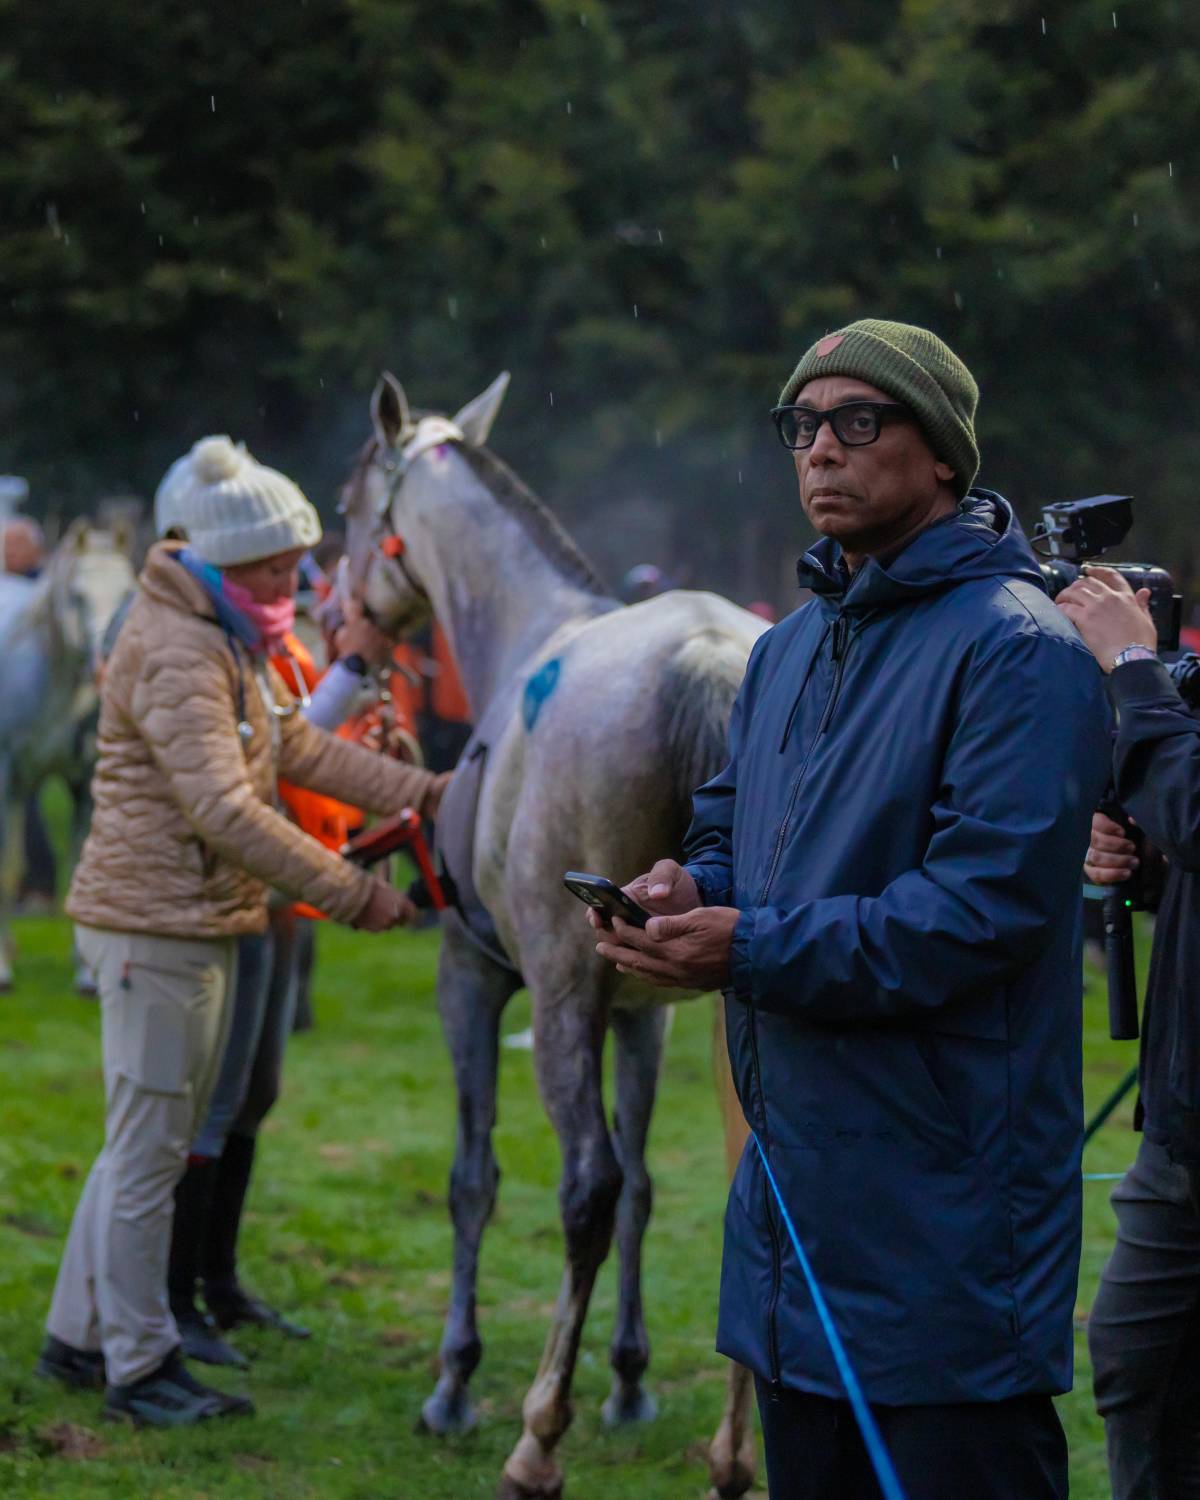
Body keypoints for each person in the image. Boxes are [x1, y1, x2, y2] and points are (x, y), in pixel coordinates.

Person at [592, 320, 1111, 1499]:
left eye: (858, 421)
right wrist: (686, 891)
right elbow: (733, 834)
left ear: (942, 457)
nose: (821, 447)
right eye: (802, 425)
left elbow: (983, 915)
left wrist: (751, 943)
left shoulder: (1018, 651)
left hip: (942, 1228)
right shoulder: (790, 649)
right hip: (793, 1218)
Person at [36, 435, 448, 1427]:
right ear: (223, 558)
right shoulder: (181, 646)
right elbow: (223, 808)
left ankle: (78, 1340)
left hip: (185, 915)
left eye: (294, 560)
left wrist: (431, 791)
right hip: (158, 925)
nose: (293, 577)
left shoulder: (226, 632)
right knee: (151, 1152)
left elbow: (297, 743)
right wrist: (357, 894)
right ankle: (141, 1368)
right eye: (274, 563)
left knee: (143, 1139)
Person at [1056, 567, 1200, 1500]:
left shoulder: (1149, 669)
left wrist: (1133, 663)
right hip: (1183, 1129)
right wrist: (1147, 865)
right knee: (1136, 1363)